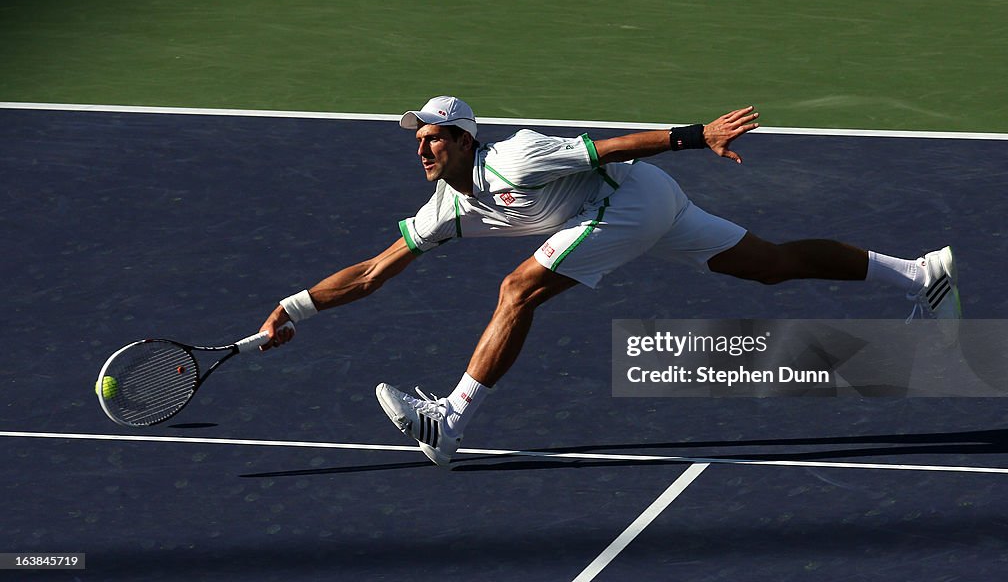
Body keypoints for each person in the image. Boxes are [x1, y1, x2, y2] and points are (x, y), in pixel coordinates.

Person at [258, 95, 961, 467]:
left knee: (517, 289)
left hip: (630, 197)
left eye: (434, 136)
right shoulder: (444, 208)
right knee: (771, 266)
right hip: (642, 204)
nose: (422, 146)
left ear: (467, 139)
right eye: (417, 139)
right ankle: (920, 273)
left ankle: (450, 420)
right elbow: (374, 273)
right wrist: (293, 308)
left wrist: (698, 134)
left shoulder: (519, 156)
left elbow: (610, 146)